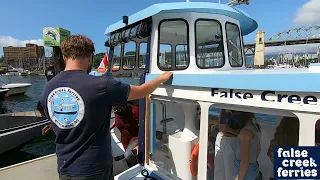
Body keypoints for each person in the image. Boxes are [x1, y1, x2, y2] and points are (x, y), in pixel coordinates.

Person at [40, 35, 173, 180]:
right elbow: (142, 91)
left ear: (64, 56)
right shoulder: (103, 85)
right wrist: (161, 78)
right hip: (94, 168)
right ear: (90, 56)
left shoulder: (48, 89)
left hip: (64, 168)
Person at [233, 111, 261, 180]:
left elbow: (245, 161)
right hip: (252, 166)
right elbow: (259, 149)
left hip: (244, 169)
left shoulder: (245, 132)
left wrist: (239, 178)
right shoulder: (255, 127)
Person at [110, 103, 139, 167]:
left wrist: (139, 144)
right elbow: (117, 120)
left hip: (135, 137)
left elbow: (144, 127)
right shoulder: (117, 111)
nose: (115, 110)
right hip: (124, 139)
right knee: (130, 159)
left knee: (128, 155)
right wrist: (109, 128)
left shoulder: (134, 111)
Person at [214, 109, 240, 180]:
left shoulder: (240, 111)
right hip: (220, 138)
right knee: (218, 170)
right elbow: (219, 122)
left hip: (231, 140)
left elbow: (241, 132)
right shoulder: (223, 109)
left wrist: (228, 129)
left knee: (229, 172)